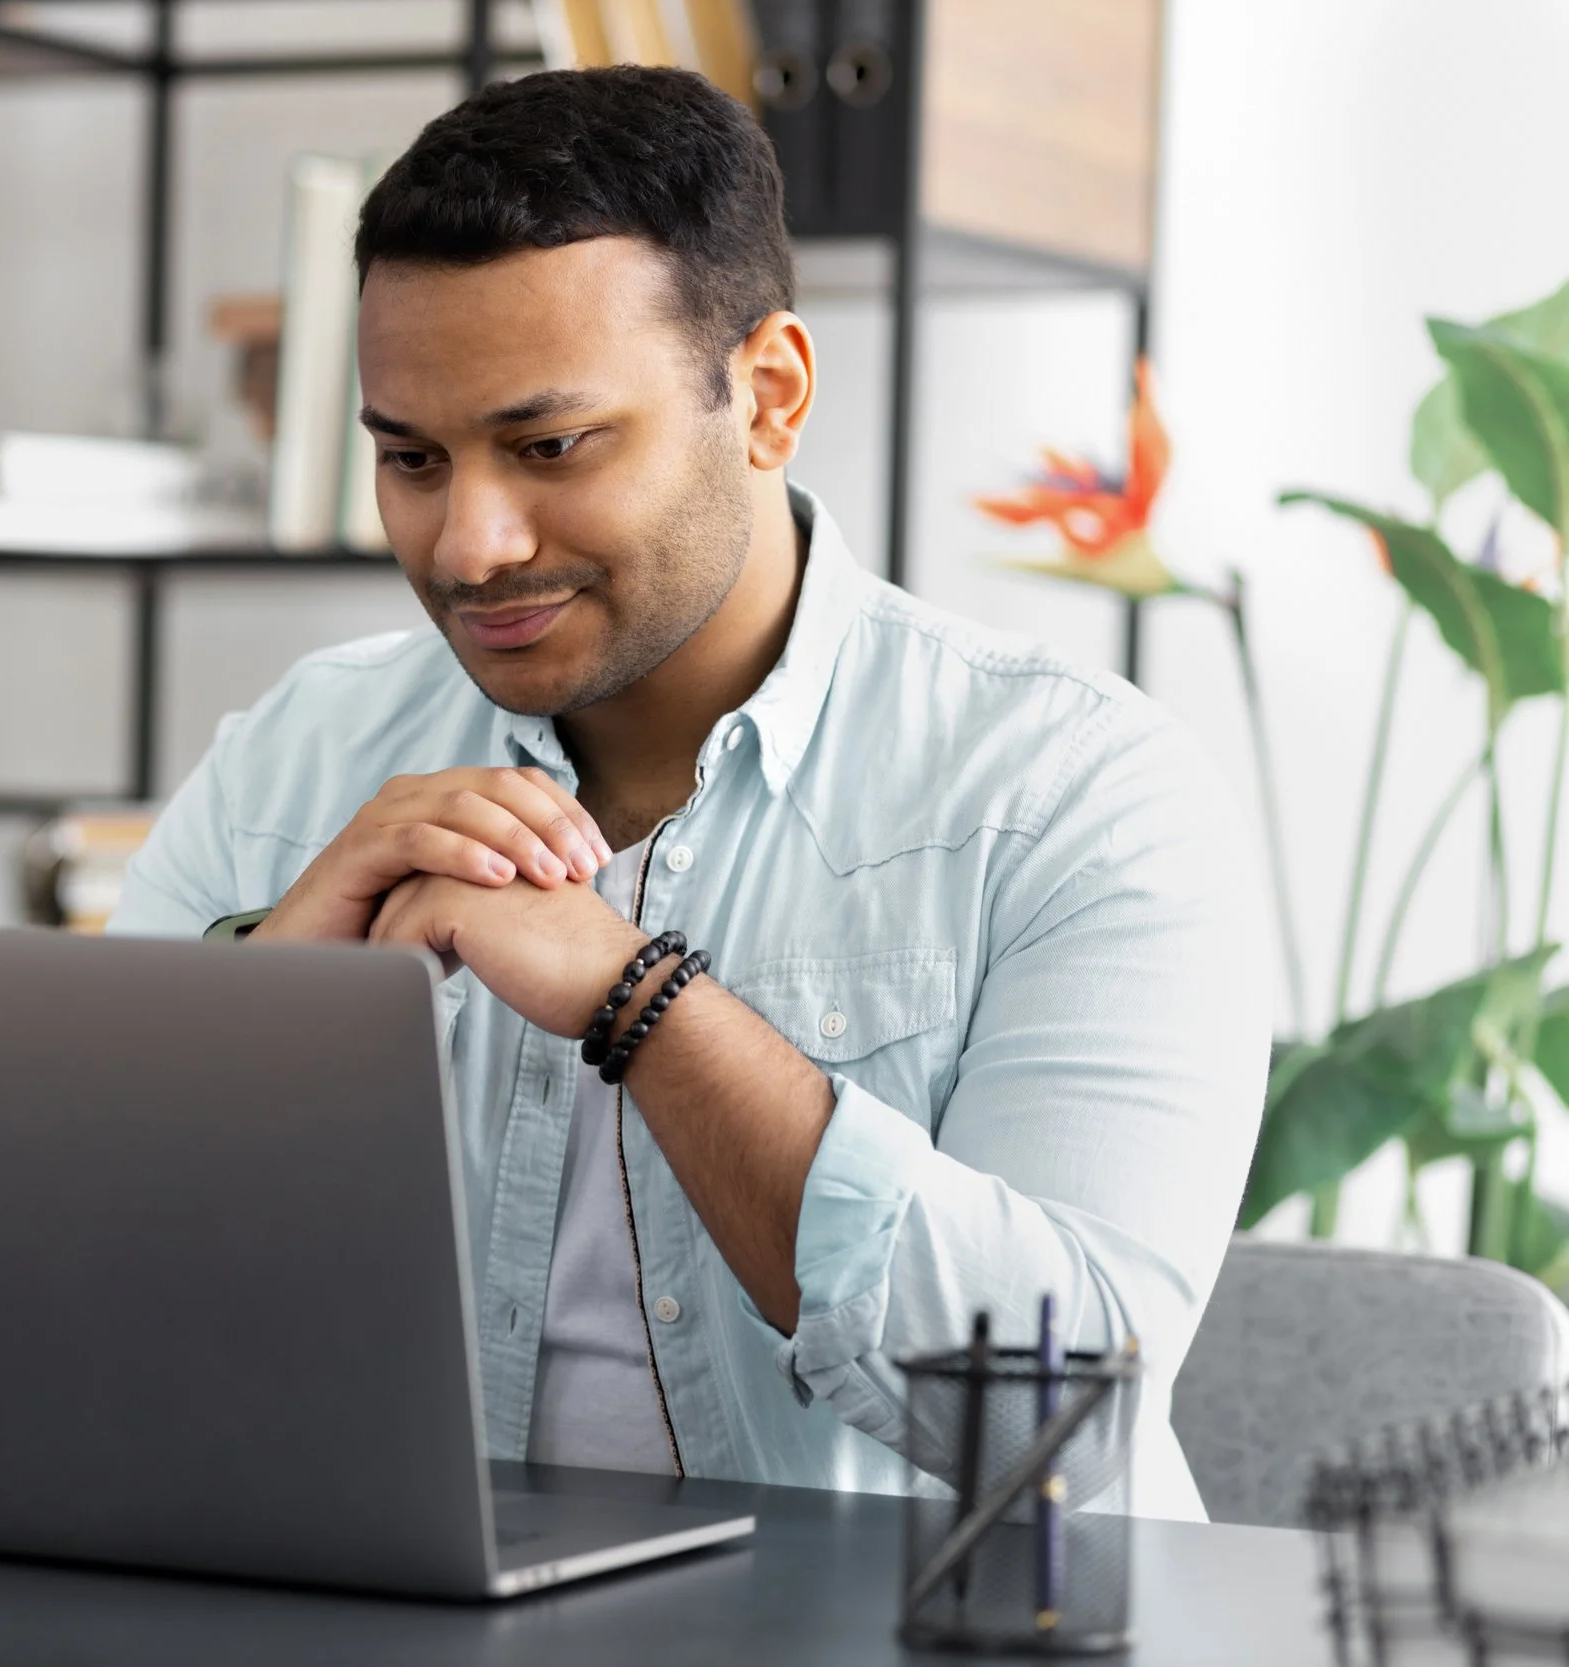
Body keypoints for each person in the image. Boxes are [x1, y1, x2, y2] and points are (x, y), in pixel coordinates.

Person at [108, 66, 1266, 1518]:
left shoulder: (1075, 798)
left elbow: (1056, 1412)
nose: (467, 544)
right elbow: (69, 1308)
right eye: (411, 458)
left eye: (550, 447)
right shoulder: (295, 760)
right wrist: (271, 1003)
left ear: (767, 395)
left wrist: (639, 1000)